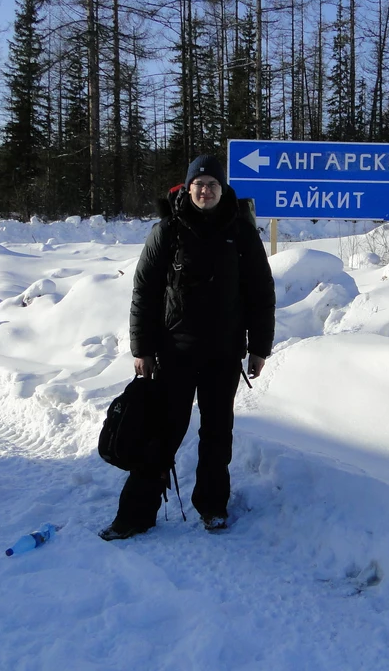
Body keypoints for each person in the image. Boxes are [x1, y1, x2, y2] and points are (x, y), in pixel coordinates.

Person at [100, 154, 276, 540]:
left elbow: (261, 292)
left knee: (217, 433)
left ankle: (212, 506)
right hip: (174, 352)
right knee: (162, 432)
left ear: (223, 188)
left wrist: (259, 347)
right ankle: (135, 514)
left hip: (224, 354)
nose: (206, 190)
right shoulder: (168, 230)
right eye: (200, 183)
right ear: (188, 187)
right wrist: (142, 348)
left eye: (213, 184)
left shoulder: (241, 232)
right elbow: (144, 292)